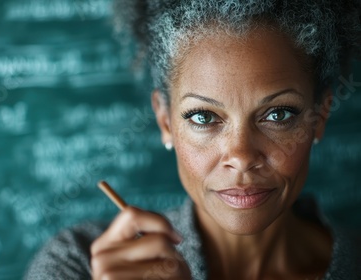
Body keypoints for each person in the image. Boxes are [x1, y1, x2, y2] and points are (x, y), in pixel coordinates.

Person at [26, 1, 361, 279]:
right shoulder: (76, 265)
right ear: (165, 120)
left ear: (320, 115)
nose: (241, 156)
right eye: (204, 117)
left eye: (277, 115)